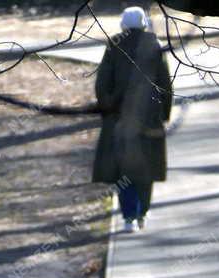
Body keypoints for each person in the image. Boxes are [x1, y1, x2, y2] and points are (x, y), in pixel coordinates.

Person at [92, 7, 173, 233]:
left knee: (123, 170)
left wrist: (107, 109)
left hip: (120, 119)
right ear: (144, 24)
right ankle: (143, 213)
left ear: (123, 25)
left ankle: (128, 217)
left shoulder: (114, 46)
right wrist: (164, 114)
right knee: (145, 169)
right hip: (148, 119)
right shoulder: (154, 45)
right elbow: (165, 84)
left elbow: (101, 83)